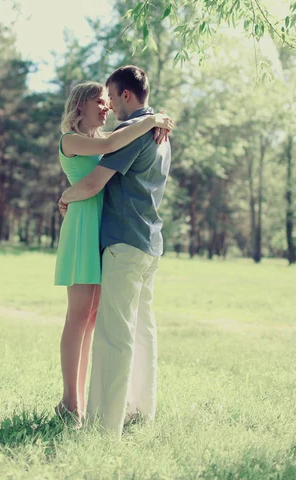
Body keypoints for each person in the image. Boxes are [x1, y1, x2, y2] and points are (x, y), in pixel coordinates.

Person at [59, 66, 172, 438]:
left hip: (124, 238)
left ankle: (103, 425)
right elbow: (101, 155)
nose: (107, 108)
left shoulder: (135, 131)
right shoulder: (156, 132)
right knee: (138, 329)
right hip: (145, 240)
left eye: (110, 99)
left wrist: (66, 194)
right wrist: (155, 116)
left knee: (114, 331)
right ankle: (134, 409)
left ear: (125, 96)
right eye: (99, 101)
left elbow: (95, 178)